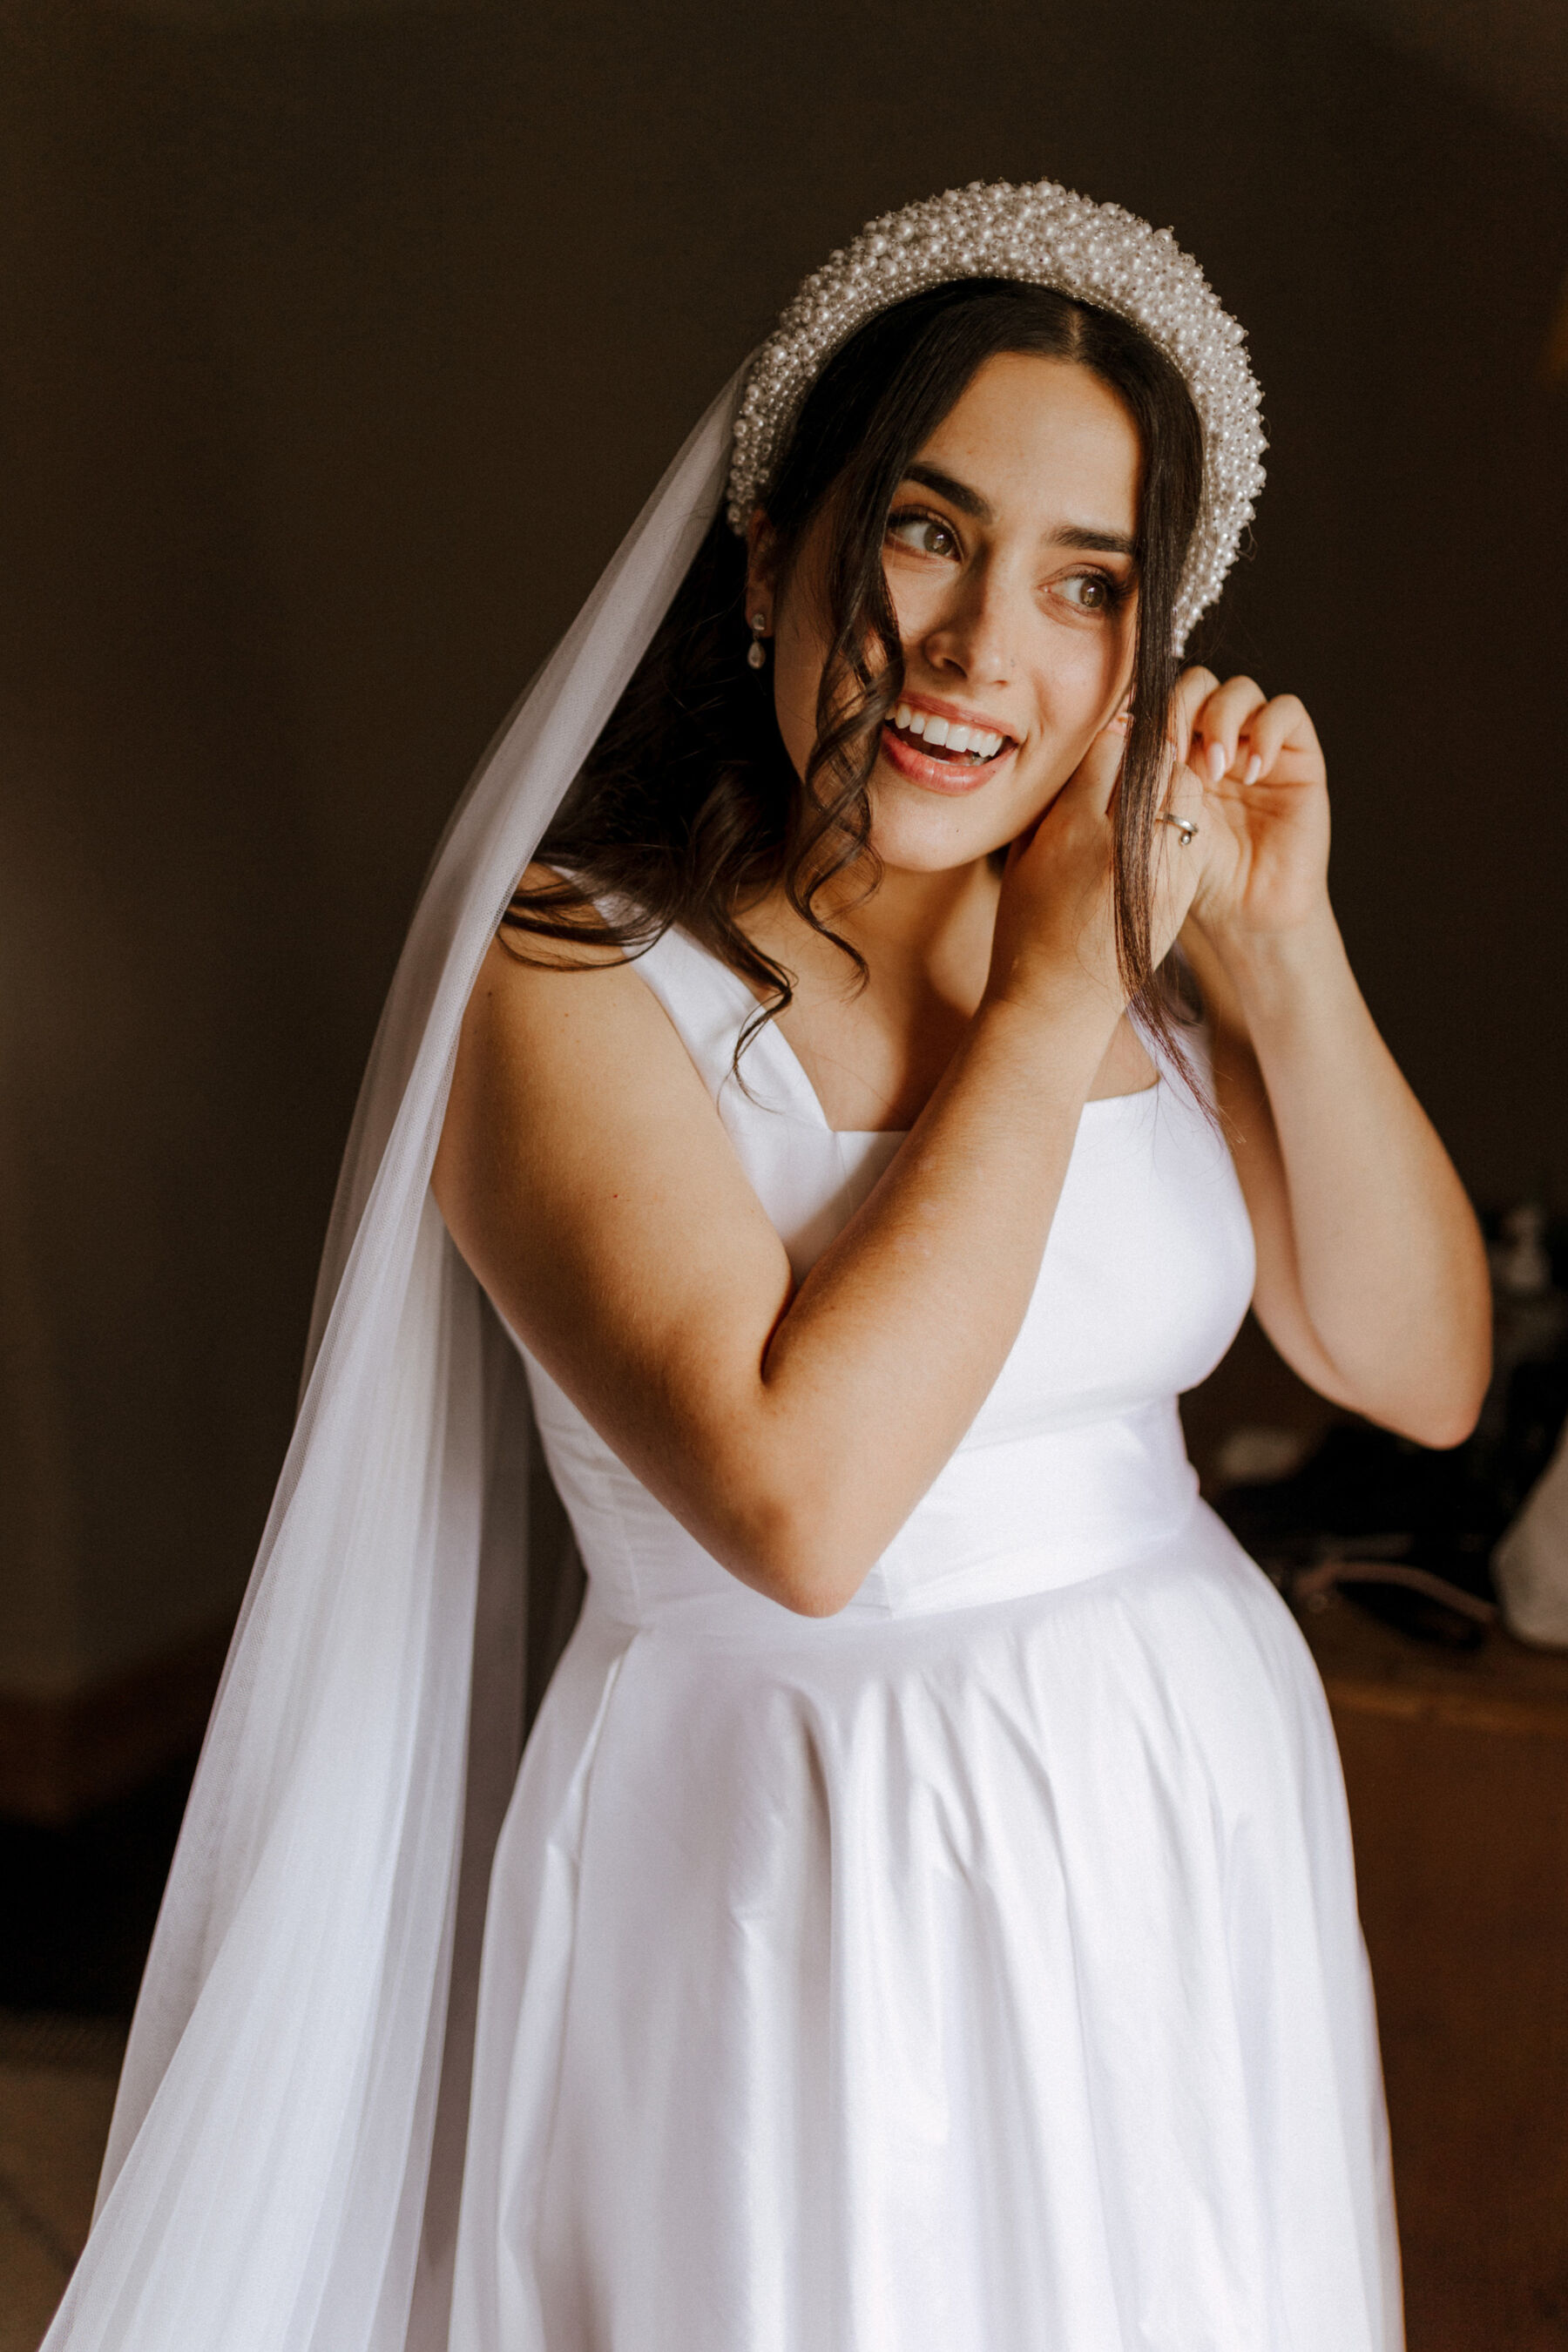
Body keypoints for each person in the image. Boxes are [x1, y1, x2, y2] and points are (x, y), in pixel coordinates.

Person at [47, 182, 1488, 2352]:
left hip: (1178, 1824)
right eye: (926, 531)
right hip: (800, 1869)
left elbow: (1421, 1372)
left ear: (1142, 647)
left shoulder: (1155, 943)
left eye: (1086, 584)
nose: (985, 647)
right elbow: (804, 1509)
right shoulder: (573, 979)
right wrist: (1046, 1000)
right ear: (764, 559)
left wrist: (1286, 965)